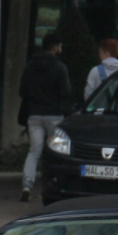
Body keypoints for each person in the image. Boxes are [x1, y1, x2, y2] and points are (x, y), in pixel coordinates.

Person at [18, 33, 71, 202]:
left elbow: (22, 91)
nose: (61, 49)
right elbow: (66, 93)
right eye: (60, 46)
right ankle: (57, 185)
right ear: (54, 47)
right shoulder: (60, 67)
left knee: (34, 152)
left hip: (34, 115)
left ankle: (27, 185)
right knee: (57, 152)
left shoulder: (30, 66)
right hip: (54, 115)